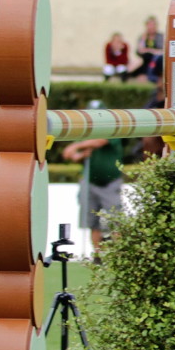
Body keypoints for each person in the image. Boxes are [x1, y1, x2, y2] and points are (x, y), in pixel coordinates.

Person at [62, 100, 126, 251]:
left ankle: (119, 254)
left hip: (110, 182)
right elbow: (70, 155)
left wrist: (78, 146)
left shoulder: (112, 129)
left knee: (116, 220)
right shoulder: (85, 132)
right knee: (92, 222)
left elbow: (100, 142)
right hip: (90, 181)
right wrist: (80, 154)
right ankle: (97, 254)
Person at [129, 16, 164, 82]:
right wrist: (144, 38)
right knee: (138, 62)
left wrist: (149, 50)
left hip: (156, 60)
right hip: (145, 59)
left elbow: (161, 51)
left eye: (153, 25)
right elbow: (139, 50)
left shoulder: (160, 37)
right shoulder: (143, 37)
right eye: (149, 25)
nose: (151, 27)